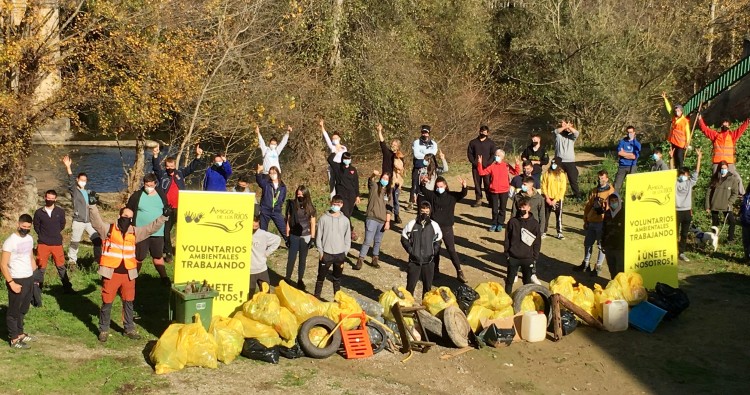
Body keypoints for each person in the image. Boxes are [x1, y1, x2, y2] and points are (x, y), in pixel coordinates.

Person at [89, 204, 168, 342]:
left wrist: (164, 217)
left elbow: (150, 228)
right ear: (119, 216)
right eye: (125, 217)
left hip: (129, 273)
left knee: (129, 301)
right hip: (111, 272)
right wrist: (92, 206)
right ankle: (104, 330)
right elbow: (96, 222)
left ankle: (129, 329)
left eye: (131, 218)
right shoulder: (108, 229)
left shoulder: (135, 232)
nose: (128, 220)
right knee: (107, 302)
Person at [152, 144, 203, 262]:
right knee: (166, 232)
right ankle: (168, 252)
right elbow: (156, 168)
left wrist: (198, 156)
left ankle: (185, 251)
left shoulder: (179, 173)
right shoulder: (162, 175)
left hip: (181, 208)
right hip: (168, 208)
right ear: (165, 166)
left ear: (175, 165)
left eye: (172, 165)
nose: (170, 168)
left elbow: (191, 168)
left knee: (184, 231)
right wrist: (155, 155)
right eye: (167, 166)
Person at [420, 176, 468, 283]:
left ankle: (459, 271)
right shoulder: (433, 196)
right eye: (437, 187)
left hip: (447, 228)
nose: (439, 188)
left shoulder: (451, 196)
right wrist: (422, 182)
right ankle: (435, 271)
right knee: (435, 250)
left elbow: (462, 194)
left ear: (445, 186)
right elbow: (423, 190)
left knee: (451, 250)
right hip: (435, 227)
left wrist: (464, 187)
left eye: (441, 186)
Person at [125, 173, 171, 286]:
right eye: (146, 185)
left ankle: (164, 279)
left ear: (155, 184)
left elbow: (167, 209)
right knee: (139, 257)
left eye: (151, 185)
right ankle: (132, 279)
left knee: (158, 256)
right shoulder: (137, 195)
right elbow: (128, 210)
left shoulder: (161, 194)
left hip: (158, 232)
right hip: (141, 232)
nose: (148, 187)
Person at [2, 214, 36, 349]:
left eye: (28, 227)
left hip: (28, 277)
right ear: (18, 224)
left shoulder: (30, 238)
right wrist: (11, 282)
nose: (26, 229)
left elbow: (30, 255)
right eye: (23, 227)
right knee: (13, 311)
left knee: (23, 309)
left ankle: (20, 333)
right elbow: (3, 265)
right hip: (16, 278)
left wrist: (33, 265)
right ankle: (14, 338)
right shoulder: (10, 241)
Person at [62, 155, 102, 267]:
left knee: (97, 240)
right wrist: (68, 167)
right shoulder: (75, 191)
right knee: (75, 241)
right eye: (81, 180)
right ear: (77, 180)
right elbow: (70, 182)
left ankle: (98, 260)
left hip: (89, 222)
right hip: (78, 221)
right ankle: (72, 261)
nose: (83, 182)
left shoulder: (88, 192)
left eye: (85, 180)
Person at [32, 190, 73, 294]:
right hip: (43, 243)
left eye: (52, 198)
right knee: (41, 267)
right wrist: (43, 235)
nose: (50, 200)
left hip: (56, 243)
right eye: (48, 198)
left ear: (56, 199)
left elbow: (62, 224)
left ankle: (67, 288)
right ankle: (37, 290)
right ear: (45, 198)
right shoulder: (39, 212)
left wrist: (54, 233)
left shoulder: (60, 211)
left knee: (61, 267)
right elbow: (36, 226)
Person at [401, 201, 442, 299]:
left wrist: (433, 252)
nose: (424, 213)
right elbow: (403, 238)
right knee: (410, 287)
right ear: (419, 211)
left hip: (429, 262)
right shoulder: (412, 224)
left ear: (430, 212)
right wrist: (411, 251)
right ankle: (409, 308)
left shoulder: (434, 225)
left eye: (427, 211)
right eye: (422, 211)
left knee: (427, 290)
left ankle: (425, 310)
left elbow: (438, 240)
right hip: (414, 261)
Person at [576, 170, 614, 275]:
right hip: (592, 221)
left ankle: (598, 267)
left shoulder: (611, 192)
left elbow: (613, 209)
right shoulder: (594, 191)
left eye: (602, 178)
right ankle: (586, 263)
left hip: (602, 222)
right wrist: (585, 219)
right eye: (599, 178)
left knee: (601, 245)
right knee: (587, 243)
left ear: (607, 179)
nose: (600, 180)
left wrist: (603, 209)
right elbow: (588, 206)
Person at [697, 114, 749, 191]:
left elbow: (741, 129)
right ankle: (712, 195)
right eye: (723, 123)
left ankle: (742, 195)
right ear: (721, 125)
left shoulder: (732, 136)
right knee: (714, 181)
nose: (725, 124)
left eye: (726, 123)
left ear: (729, 125)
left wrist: (748, 121)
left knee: (738, 179)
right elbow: (705, 129)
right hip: (717, 163)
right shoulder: (715, 135)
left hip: (729, 163)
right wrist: (700, 119)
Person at [314, 195, 352, 299]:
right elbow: (318, 237)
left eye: (338, 204)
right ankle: (316, 298)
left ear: (342, 205)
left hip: (340, 255)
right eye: (334, 204)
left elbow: (347, 238)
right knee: (320, 278)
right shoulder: (323, 219)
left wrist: (345, 253)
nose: (336, 206)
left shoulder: (345, 220)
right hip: (326, 254)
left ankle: (337, 300)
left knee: (337, 279)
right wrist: (321, 252)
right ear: (331, 204)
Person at [503, 196, 542, 295]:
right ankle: (507, 299)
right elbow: (507, 238)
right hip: (513, 257)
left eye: (524, 207)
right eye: (520, 207)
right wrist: (507, 254)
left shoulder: (534, 224)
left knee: (527, 283)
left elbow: (537, 242)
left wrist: (534, 257)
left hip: (528, 258)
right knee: (509, 281)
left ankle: (525, 300)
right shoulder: (512, 222)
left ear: (529, 208)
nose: (521, 209)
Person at [355, 171, 392, 270]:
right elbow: (370, 180)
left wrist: (388, 222)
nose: (384, 180)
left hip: (382, 221)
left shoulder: (389, 193)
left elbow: (389, 208)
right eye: (383, 178)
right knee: (367, 240)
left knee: (378, 241)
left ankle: (375, 258)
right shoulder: (374, 187)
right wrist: (373, 174)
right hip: (371, 218)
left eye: (387, 179)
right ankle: (360, 259)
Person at [477, 150, 520, 232]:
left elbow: (516, 172)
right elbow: (482, 172)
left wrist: (517, 164)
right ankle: (494, 223)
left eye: (498, 155)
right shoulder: (492, 166)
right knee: (494, 208)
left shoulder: (506, 166)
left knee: (502, 208)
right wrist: (480, 163)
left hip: (504, 190)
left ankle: (500, 223)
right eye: (496, 155)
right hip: (494, 191)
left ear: (502, 157)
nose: (496, 156)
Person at [285, 186, 316, 290]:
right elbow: (288, 221)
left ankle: (300, 280)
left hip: (305, 236)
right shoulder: (292, 205)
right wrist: (287, 236)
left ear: (306, 195)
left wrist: (312, 238)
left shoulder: (310, 206)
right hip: (294, 235)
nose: (300, 197)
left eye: (302, 195)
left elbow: (312, 223)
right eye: (298, 195)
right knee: (291, 258)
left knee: (302, 259)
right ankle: (287, 278)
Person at [675, 149, 702, 261]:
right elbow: (671, 171)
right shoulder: (675, 182)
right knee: (674, 233)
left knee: (684, 233)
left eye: (684, 174)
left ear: (687, 175)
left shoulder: (689, 183)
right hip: (676, 211)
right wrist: (671, 158)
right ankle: (673, 251)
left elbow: (696, 173)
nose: (682, 176)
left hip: (687, 211)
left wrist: (699, 158)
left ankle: (681, 252)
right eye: (681, 174)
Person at [706, 161, 742, 242]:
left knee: (732, 222)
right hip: (714, 204)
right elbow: (708, 193)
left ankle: (730, 239)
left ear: (727, 168)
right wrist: (707, 206)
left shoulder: (732, 179)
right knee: (715, 224)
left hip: (727, 205)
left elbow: (735, 193)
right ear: (719, 169)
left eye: (725, 168)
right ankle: (714, 239)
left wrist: (730, 202)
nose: (723, 170)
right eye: (722, 168)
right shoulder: (715, 178)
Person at [328, 151, 360, 240]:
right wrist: (335, 150)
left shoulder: (353, 169)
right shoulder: (338, 167)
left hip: (351, 195)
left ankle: (344, 229)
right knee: (345, 213)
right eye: (345, 158)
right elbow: (330, 159)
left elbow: (356, 183)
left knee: (348, 214)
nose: (347, 160)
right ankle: (350, 231)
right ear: (342, 159)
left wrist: (357, 195)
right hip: (341, 195)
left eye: (348, 159)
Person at [377, 123, 405, 223]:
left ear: (398, 147)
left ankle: (396, 215)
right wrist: (379, 131)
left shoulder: (400, 156)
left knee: (395, 199)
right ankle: (383, 215)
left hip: (396, 181)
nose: (392, 146)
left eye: (395, 145)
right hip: (385, 179)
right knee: (385, 198)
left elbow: (402, 169)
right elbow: (382, 142)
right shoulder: (386, 152)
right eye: (392, 145)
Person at [255, 164, 288, 243]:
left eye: (274, 173)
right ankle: (262, 244)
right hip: (265, 210)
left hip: (276, 210)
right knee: (263, 229)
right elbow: (259, 181)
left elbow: (283, 198)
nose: (272, 175)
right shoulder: (266, 183)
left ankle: (289, 242)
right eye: (271, 173)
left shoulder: (283, 186)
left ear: (278, 173)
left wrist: (279, 205)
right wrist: (258, 172)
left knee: (283, 228)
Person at [250, 214, 281, 296]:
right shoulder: (243, 234)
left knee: (266, 295)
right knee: (249, 296)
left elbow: (277, 240)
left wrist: (267, 253)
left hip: (262, 270)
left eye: (256, 221)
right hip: (249, 272)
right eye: (253, 221)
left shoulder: (263, 234)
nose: (255, 223)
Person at [409, 125, 439, 210]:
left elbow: (433, 153)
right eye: (423, 132)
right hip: (418, 166)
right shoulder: (416, 142)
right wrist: (427, 156)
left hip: (430, 167)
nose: (424, 134)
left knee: (429, 183)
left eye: (426, 132)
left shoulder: (433, 143)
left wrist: (425, 155)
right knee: (415, 184)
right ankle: (411, 201)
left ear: (429, 133)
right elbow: (416, 155)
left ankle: (427, 201)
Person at [467, 125, 497, 207]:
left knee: (488, 184)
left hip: (487, 167)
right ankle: (478, 199)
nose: (483, 133)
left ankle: (490, 200)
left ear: (487, 133)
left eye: (484, 131)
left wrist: (487, 164)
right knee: (477, 184)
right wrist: (475, 163)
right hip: (476, 167)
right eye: (481, 131)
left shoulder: (491, 143)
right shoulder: (473, 142)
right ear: (479, 131)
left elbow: (493, 155)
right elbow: (469, 154)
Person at [662, 92, 691, 170]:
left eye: (678, 111)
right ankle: (675, 169)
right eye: (676, 111)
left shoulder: (684, 121)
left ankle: (681, 169)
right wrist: (665, 99)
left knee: (679, 156)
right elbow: (669, 109)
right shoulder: (674, 117)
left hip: (681, 143)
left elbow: (687, 133)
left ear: (681, 111)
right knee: (674, 156)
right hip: (673, 140)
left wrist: (687, 143)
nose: (676, 112)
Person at [552, 120, 581, 198]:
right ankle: (556, 195)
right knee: (556, 178)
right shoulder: (558, 135)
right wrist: (564, 126)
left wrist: (568, 127)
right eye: (564, 123)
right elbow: (556, 131)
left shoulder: (572, 136)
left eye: (568, 124)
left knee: (573, 180)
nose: (566, 125)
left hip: (570, 161)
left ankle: (577, 196)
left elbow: (576, 133)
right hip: (559, 161)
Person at [541, 157, 568, 239]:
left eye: (555, 164)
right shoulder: (547, 173)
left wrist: (556, 199)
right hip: (548, 198)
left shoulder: (562, 175)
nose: (553, 165)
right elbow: (543, 186)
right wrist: (547, 198)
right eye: (552, 163)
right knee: (545, 216)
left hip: (558, 200)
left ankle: (559, 232)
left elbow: (562, 189)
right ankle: (544, 231)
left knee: (558, 216)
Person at [321, 118, 348, 196]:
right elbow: (326, 137)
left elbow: (346, 158)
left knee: (341, 183)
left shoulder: (344, 148)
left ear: (339, 139)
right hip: (332, 168)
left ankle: (341, 199)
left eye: (336, 138)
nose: (334, 140)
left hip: (341, 168)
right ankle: (333, 200)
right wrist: (322, 127)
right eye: (333, 138)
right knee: (332, 185)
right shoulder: (332, 147)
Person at [602, 193, 625, 279]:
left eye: (616, 201)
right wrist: (602, 242)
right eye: (612, 201)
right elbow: (604, 229)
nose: (614, 202)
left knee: (620, 269)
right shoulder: (607, 214)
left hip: (620, 247)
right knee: (612, 268)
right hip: (609, 246)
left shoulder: (624, 213)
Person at [613, 126, 641, 193]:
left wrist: (624, 154)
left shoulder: (636, 144)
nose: (629, 134)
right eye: (628, 132)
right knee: (617, 185)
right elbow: (619, 153)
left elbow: (634, 157)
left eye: (631, 132)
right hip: (622, 166)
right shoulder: (622, 142)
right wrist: (629, 155)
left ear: (634, 133)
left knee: (632, 185)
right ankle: (615, 200)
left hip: (632, 166)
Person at [740, 184, 750, 262]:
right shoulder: (746, 196)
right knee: (746, 240)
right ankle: (747, 258)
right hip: (745, 221)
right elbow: (743, 207)